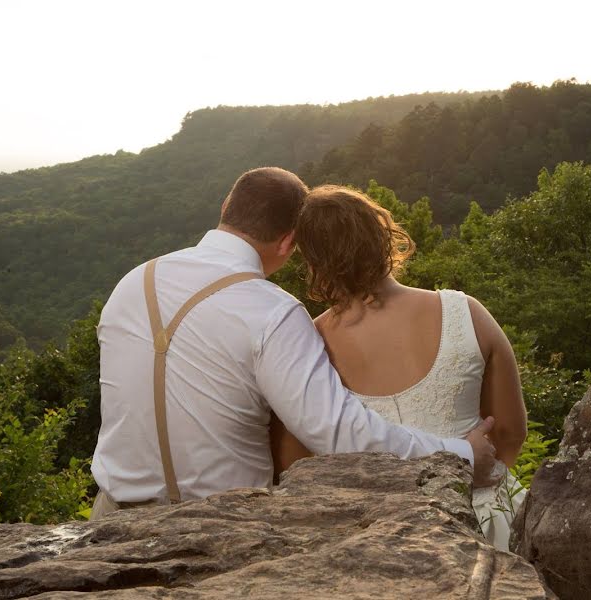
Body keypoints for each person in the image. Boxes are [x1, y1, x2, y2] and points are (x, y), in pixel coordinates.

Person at [90, 167, 500, 519]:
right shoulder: (273, 311)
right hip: (218, 524)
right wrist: (459, 453)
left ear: (225, 211)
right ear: (288, 242)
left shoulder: (132, 283)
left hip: (109, 520)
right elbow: (338, 434)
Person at [272, 184, 528, 550]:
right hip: (488, 519)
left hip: (379, 536)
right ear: (383, 233)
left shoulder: (307, 344)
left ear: (313, 261)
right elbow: (510, 434)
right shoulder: (465, 312)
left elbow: (294, 463)